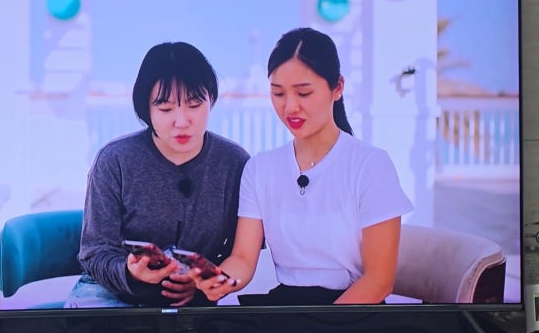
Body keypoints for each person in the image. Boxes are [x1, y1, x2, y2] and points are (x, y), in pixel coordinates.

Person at [189, 27, 414, 305]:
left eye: (303, 93)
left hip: (353, 310)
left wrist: (318, 324)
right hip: (288, 306)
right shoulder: (260, 169)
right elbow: (243, 259)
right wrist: (220, 281)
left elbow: (378, 281)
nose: (290, 107)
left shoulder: (370, 165)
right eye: (278, 93)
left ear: (337, 88)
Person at [64, 41, 250, 308]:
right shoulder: (114, 160)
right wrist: (130, 272)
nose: (182, 121)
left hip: (191, 304)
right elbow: (94, 253)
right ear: (146, 109)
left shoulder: (234, 162)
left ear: (211, 100)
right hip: (111, 294)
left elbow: (239, 254)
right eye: (165, 109)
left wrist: (203, 283)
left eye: (195, 105)